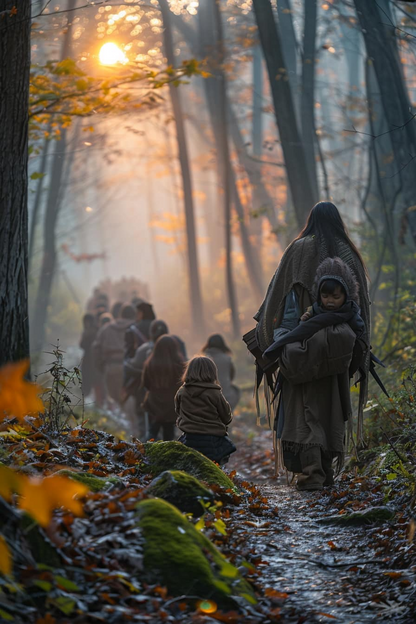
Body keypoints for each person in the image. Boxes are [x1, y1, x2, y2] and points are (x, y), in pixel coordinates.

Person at [253, 201, 370, 443]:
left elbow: (279, 298)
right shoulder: (348, 252)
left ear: (311, 220)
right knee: (333, 407)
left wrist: (279, 338)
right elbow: (361, 308)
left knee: (300, 407)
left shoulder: (297, 250)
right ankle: (324, 469)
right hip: (340, 348)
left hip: (300, 347)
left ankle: (308, 468)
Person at [264, 257, 367, 490]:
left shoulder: (348, 321)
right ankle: (317, 474)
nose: (330, 302)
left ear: (347, 295)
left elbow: (339, 343)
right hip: (320, 381)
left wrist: (293, 348)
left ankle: (316, 476)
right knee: (314, 422)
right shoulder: (314, 314)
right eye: (325, 296)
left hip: (327, 381)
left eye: (336, 296)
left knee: (317, 424)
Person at [175, 356, 237, 465]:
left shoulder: (182, 392)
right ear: (213, 372)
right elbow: (227, 418)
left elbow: (178, 411)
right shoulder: (215, 393)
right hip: (213, 442)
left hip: (189, 440)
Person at [142, 335, 185, 441]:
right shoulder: (179, 365)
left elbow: (145, 383)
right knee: (169, 431)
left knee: (153, 429)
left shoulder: (150, 363)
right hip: (172, 404)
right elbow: (183, 385)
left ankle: (147, 450)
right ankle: (167, 453)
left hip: (154, 403)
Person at [93, 304, 136, 406]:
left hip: (111, 367)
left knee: (114, 401)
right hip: (131, 371)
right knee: (130, 402)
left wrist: (101, 366)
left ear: (121, 315)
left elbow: (95, 349)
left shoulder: (107, 328)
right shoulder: (136, 328)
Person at [201, 334, 240, 410]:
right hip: (226, 397)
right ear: (222, 345)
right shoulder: (227, 359)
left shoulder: (203, 359)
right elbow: (231, 377)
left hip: (207, 398)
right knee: (236, 391)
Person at [80, 313, 98, 398]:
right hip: (89, 358)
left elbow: (82, 344)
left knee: (90, 378)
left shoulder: (93, 331)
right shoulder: (89, 331)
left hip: (92, 358)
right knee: (86, 378)